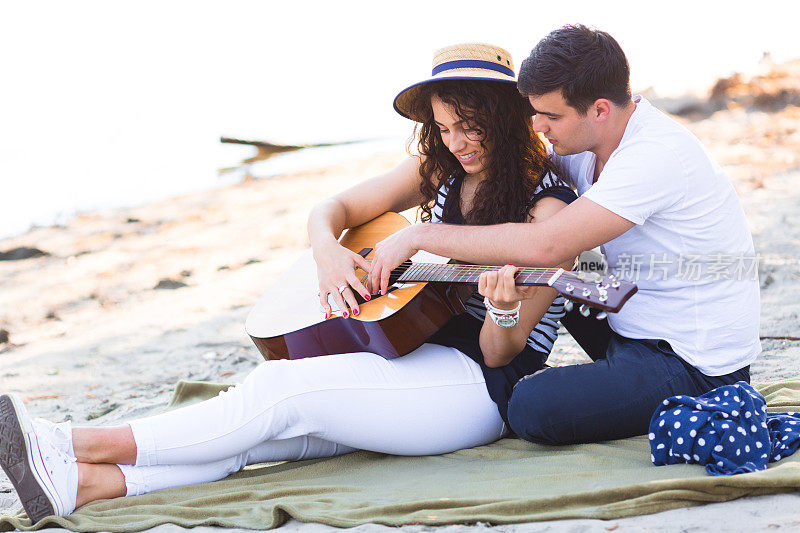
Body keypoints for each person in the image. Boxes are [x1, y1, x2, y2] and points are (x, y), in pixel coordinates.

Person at [0, 43, 576, 522]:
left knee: (278, 394)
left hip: (474, 390)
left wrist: (500, 308)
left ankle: (72, 445)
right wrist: (327, 252)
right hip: (403, 358)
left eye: (469, 126)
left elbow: (503, 351)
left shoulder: (548, 210)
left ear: (506, 116)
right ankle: (81, 489)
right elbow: (335, 206)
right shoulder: (444, 169)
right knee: (249, 433)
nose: (456, 142)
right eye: (445, 127)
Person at [367, 25, 760, 447]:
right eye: (534, 113)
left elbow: (548, 243)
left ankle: (590, 388)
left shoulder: (654, 156)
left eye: (551, 117)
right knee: (570, 278)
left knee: (530, 406)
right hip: (629, 327)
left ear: (600, 110)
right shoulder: (586, 147)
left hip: (693, 362)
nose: (537, 127)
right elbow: (517, 175)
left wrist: (419, 236)